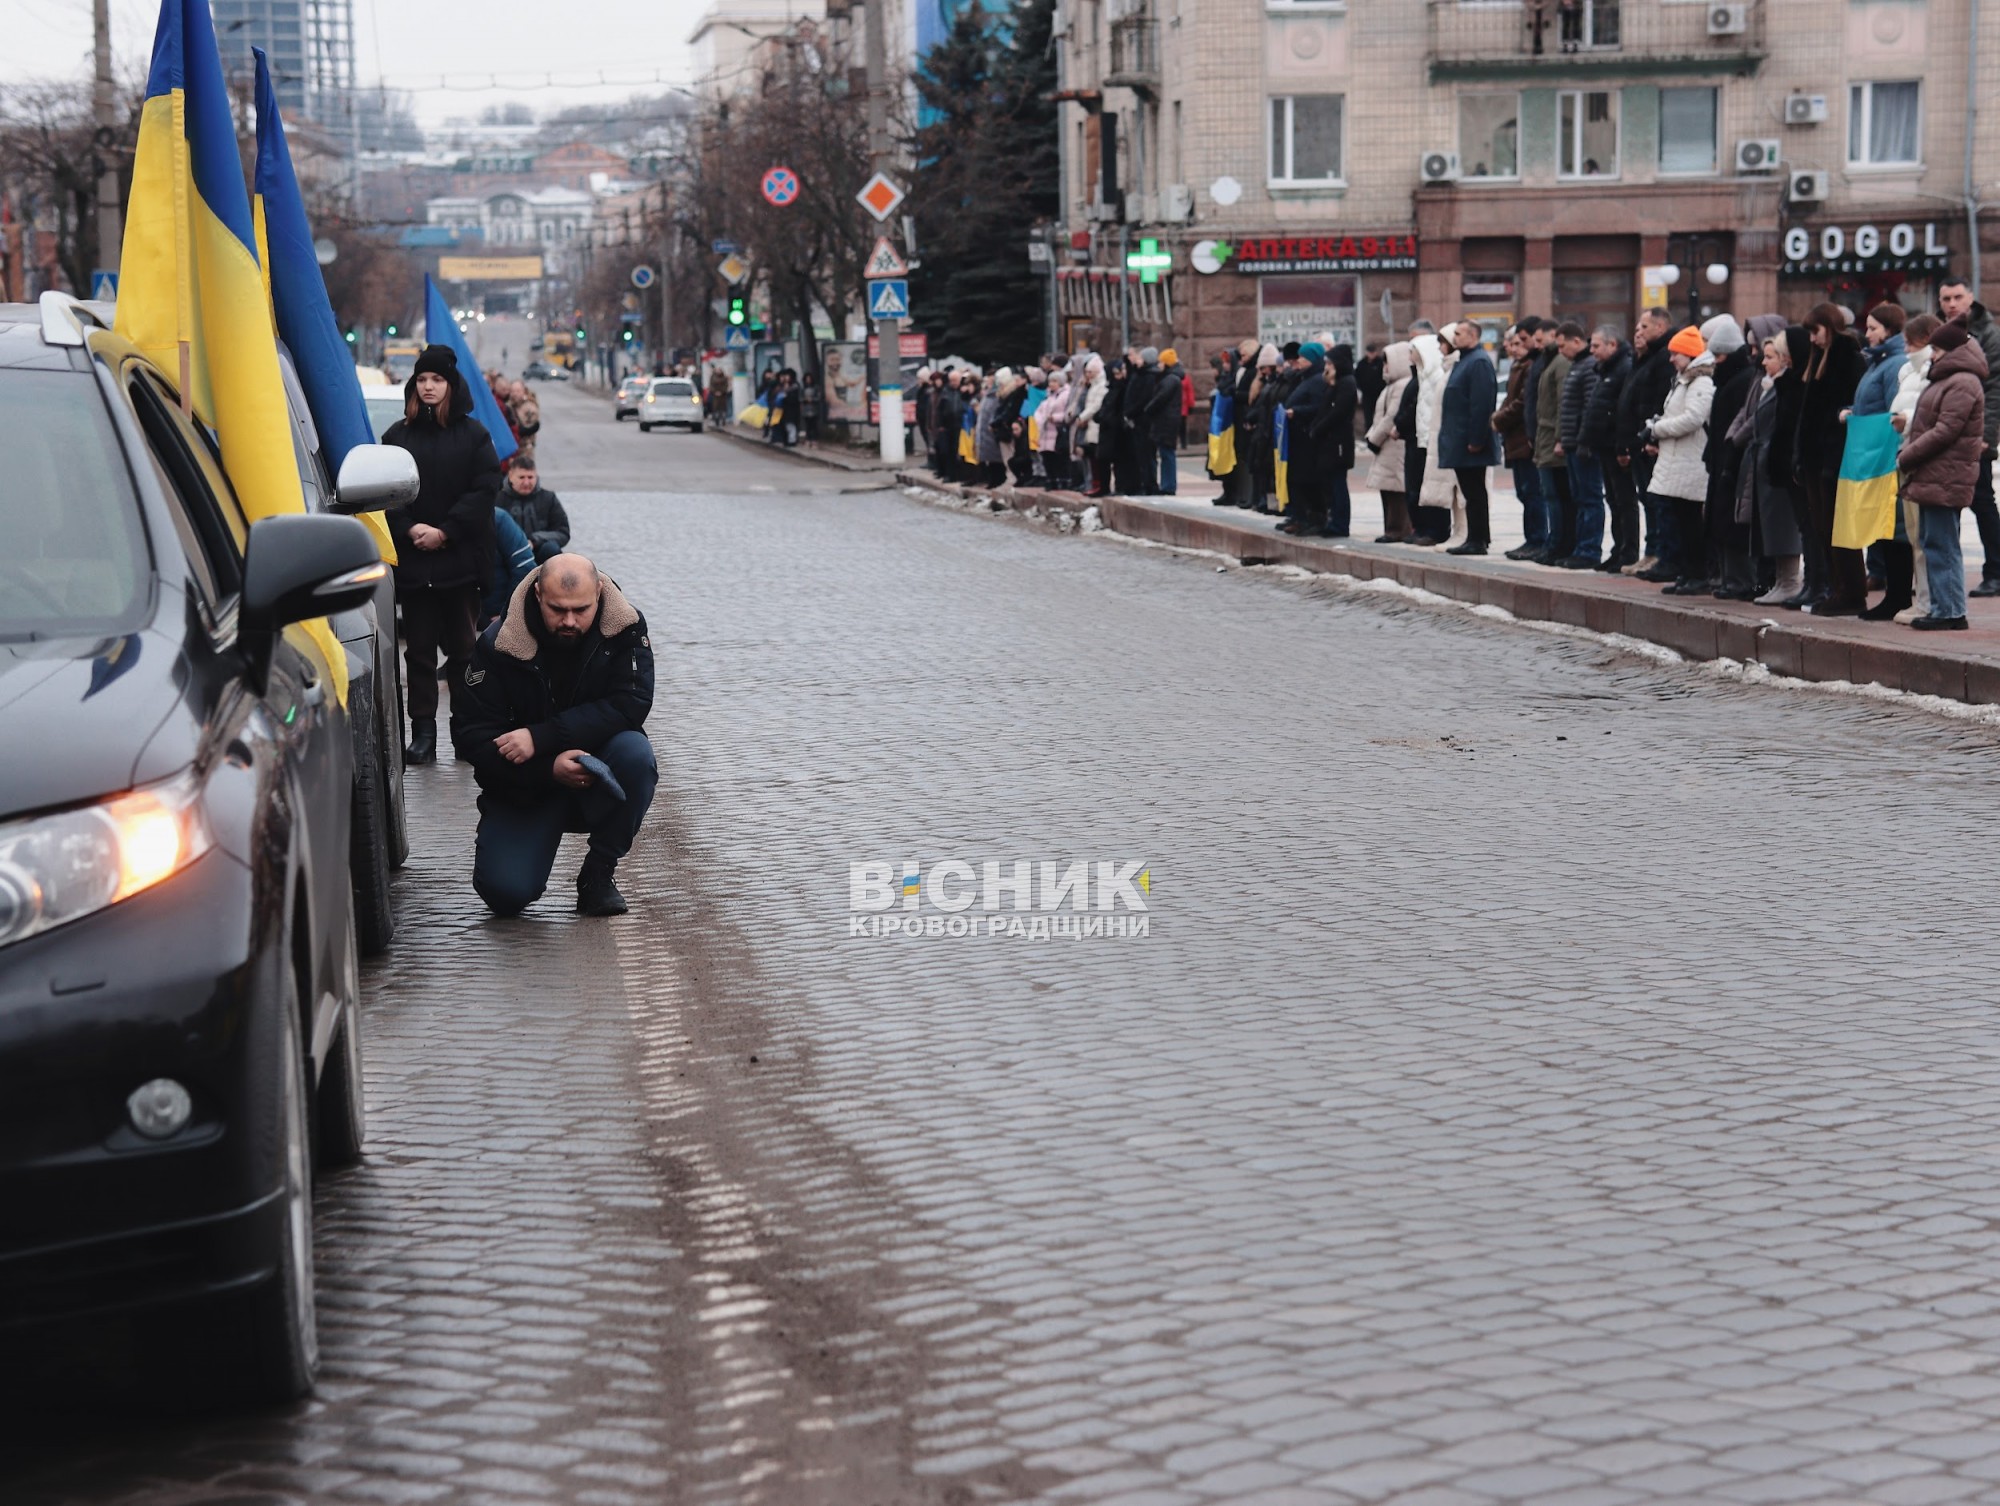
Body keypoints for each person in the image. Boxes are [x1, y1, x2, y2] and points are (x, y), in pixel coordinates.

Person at [453, 554, 658, 916]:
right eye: (557, 609)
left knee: (635, 755)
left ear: (598, 593)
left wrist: (542, 737)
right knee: (505, 895)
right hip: (524, 785)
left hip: (596, 772)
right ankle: (523, 842)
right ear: (536, 595)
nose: (569, 621)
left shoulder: (625, 628)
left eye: (581, 609)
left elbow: (632, 703)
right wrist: (548, 768)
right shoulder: (498, 644)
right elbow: (470, 735)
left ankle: (598, 874)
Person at [383, 344, 502, 766]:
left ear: (452, 386)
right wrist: (411, 527)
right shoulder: (398, 436)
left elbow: (485, 488)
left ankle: (465, 732)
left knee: (464, 652)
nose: (429, 387)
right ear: (414, 386)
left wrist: (446, 532)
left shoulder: (474, 436)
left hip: (460, 562)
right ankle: (424, 734)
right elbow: (386, 491)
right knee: (417, 653)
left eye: (436, 380)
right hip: (416, 562)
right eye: (422, 380)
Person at [1900, 318, 1991, 630]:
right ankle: (1943, 608)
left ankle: (1950, 611)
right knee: (1933, 540)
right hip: (1937, 474)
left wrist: (1907, 455)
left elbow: (1944, 431)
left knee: (1942, 543)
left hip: (1946, 474)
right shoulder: (1949, 379)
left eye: (1936, 349)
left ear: (1951, 350)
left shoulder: (1962, 382)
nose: (1931, 355)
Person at [1793, 302, 1869, 613]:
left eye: (1816, 331)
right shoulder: (1818, 360)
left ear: (1830, 327)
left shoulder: (1846, 358)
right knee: (1824, 527)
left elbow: (1843, 412)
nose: (1812, 338)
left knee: (1840, 528)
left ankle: (1850, 593)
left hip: (1834, 458)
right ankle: (1840, 590)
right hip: (1816, 458)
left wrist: (1828, 457)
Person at [1843, 303, 1910, 618]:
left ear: (1890, 329)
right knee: (1883, 528)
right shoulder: (1876, 362)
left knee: (1894, 529)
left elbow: (1893, 411)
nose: (1867, 334)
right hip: (1872, 456)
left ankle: (1897, 597)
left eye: (1872, 328)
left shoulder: (1894, 363)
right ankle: (1893, 596)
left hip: (1885, 457)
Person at [1936, 278, 2000, 597]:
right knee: (1947, 504)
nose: (1952, 304)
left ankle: (1996, 572)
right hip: (1943, 435)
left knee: (1981, 501)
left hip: (1976, 436)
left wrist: (1986, 435)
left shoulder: (1988, 334)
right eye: (1946, 298)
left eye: (1958, 297)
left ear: (1971, 297)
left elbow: (1995, 388)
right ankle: (1949, 575)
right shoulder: (1939, 333)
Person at [1642, 326, 1717, 595]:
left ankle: (1697, 575)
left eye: (1676, 354)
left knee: (1690, 523)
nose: (1671, 358)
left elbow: (1693, 418)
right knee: (1680, 522)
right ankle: (1687, 573)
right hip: (1678, 460)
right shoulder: (1684, 380)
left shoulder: (1701, 382)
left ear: (1689, 354)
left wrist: (1657, 429)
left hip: (1690, 462)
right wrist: (1656, 425)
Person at [1698, 315, 1758, 599]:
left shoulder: (1741, 381)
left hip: (1733, 461)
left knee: (1731, 523)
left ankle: (1739, 579)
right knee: (1719, 521)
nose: (1715, 361)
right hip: (1721, 460)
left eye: (1719, 355)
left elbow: (1738, 423)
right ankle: (1727, 577)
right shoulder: (1728, 380)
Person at [1889, 314, 1942, 622]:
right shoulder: (1908, 370)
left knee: (1926, 536)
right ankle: (1922, 599)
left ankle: (1929, 601)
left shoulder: (1928, 369)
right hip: (1906, 453)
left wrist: (1906, 420)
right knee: (1914, 536)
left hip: (1920, 456)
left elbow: (1928, 411)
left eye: (1911, 342)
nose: (1906, 348)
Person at [1620, 308, 1678, 579]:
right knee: (1646, 499)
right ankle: (1651, 551)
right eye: (1637, 327)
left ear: (1661, 326)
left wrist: (1652, 437)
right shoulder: (1642, 359)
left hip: (1651, 441)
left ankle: (1658, 554)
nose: (1638, 332)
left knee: (1654, 501)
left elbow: (1659, 400)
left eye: (1644, 326)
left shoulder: (1663, 357)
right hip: (1638, 440)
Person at [1436, 321, 1500, 555]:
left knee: (1474, 492)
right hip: (1460, 439)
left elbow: (1482, 404)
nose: (1454, 337)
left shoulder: (1479, 362)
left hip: (1471, 442)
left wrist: (1477, 439)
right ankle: (1477, 537)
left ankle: (1478, 539)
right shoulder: (1466, 360)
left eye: (1458, 333)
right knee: (1470, 492)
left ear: (1473, 336)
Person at [1582, 325, 1633, 571]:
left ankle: (1628, 551)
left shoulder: (1623, 368)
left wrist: (1622, 446)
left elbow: (1623, 410)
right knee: (1613, 499)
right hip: (1604, 444)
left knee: (1624, 501)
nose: (1591, 351)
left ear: (1612, 345)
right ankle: (1618, 549)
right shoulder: (1606, 370)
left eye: (1595, 346)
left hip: (1616, 445)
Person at [1493, 324, 1547, 560]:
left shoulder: (1530, 367)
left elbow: (1523, 403)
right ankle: (1531, 539)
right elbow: (1511, 400)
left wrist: (1499, 419)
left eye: (1517, 343)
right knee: (1525, 493)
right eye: (1511, 344)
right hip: (1515, 440)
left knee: (1533, 493)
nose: (1512, 348)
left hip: (1525, 439)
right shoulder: (1519, 367)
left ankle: (1537, 539)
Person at [1553, 323, 1600, 566]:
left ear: (1576, 341)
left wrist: (1584, 441)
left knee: (1590, 498)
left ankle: (1589, 550)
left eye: (1562, 345)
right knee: (1580, 498)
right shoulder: (1576, 366)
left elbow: (1589, 408)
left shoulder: (1589, 366)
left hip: (1584, 446)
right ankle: (1580, 548)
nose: (1560, 351)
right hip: (1573, 443)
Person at [1532, 324, 1576, 561]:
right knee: (1553, 495)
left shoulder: (1560, 363)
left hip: (1553, 440)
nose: (1537, 345)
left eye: (1542, 340)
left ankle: (1560, 544)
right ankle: (1556, 542)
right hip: (1546, 438)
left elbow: (1563, 403)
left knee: (1558, 496)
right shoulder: (1550, 361)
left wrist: (1560, 437)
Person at [1366, 341, 1415, 542]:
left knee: (1396, 489)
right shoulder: (1391, 386)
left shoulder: (1401, 385)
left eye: (1388, 362)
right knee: (1388, 489)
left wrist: (1375, 438)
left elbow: (1391, 416)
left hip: (1393, 445)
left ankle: (1397, 530)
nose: (1384, 367)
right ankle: (1391, 528)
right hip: (1386, 445)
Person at [501, 458, 572, 564]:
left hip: (539, 551)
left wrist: (535, 540)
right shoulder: (498, 499)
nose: (526, 482)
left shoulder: (549, 498)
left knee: (551, 548)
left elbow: (563, 532)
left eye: (530, 477)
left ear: (536, 476)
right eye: (521, 477)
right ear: (510, 476)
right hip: (508, 553)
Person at [483, 503, 536, 626]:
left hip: (496, 612)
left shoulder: (499, 518)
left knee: (550, 549)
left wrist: (508, 612)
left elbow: (525, 567)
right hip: (464, 612)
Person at [1148, 350, 1185, 496]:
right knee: (1166, 453)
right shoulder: (1171, 378)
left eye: (1161, 362)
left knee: (1167, 453)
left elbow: (1160, 398)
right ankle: (1167, 484)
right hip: (1168, 420)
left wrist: (1148, 409)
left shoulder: (1170, 379)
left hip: (1166, 421)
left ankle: (1168, 485)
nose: (1158, 365)